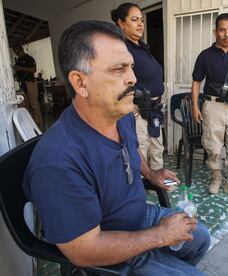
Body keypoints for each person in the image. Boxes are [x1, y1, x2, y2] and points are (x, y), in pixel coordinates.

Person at [23, 21, 209, 275]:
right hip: (104, 244)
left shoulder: (120, 114)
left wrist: (150, 173)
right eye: (118, 69)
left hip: (137, 216)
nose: (133, 77)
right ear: (80, 83)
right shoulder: (58, 162)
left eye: (131, 67)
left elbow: (131, 150)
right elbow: (84, 251)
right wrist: (159, 236)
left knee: (200, 236)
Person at [191, 13, 228, 201]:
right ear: (215, 31)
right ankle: (216, 178)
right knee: (213, 145)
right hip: (212, 106)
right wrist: (195, 106)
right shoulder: (205, 56)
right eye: (222, 30)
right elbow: (196, 82)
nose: (226, 34)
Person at [111, 3, 165, 170]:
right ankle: (139, 191)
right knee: (139, 153)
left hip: (153, 109)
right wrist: (130, 105)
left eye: (141, 20)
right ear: (121, 23)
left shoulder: (141, 46)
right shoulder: (121, 48)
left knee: (156, 150)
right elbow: (115, 80)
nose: (140, 24)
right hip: (138, 111)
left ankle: (158, 187)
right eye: (134, 20)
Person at [12, 44, 42, 126]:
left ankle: (38, 123)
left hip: (30, 82)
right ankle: (32, 122)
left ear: (21, 49)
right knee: (26, 104)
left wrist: (21, 68)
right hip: (23, 84)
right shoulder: (19, 60)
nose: (17, 53)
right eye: (15, 52)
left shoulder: (29, 58)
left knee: (33, 103)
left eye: (18, 51)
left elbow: (34, 69)